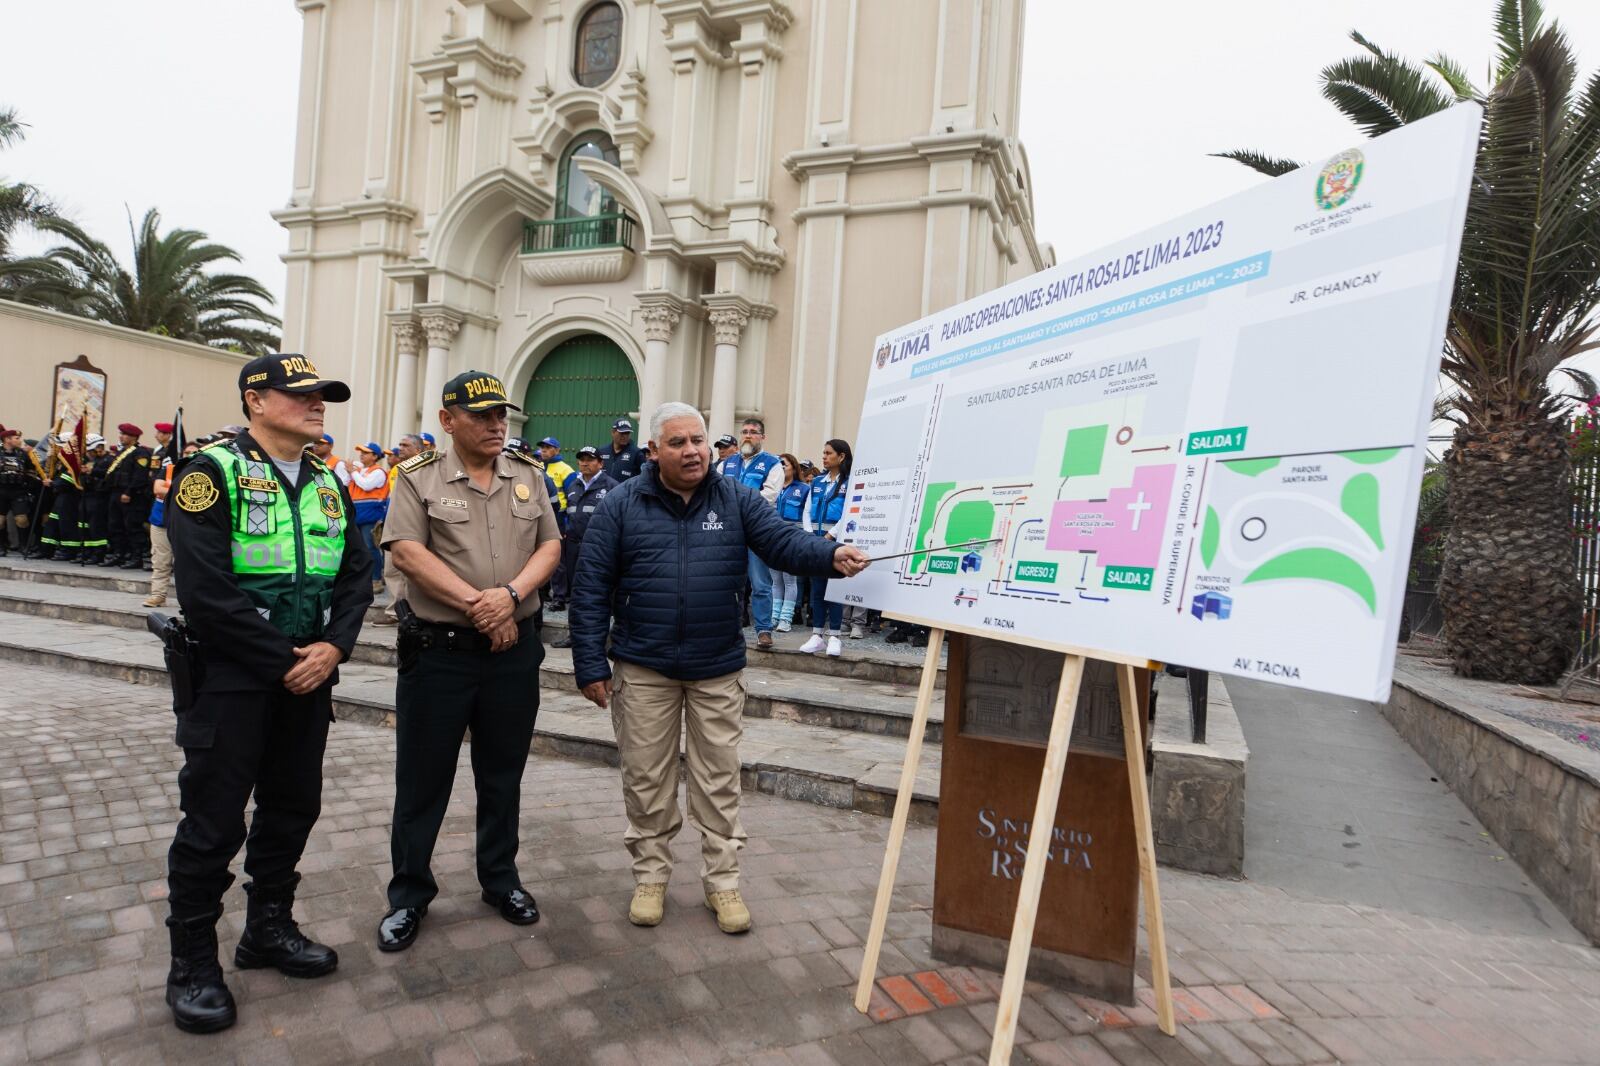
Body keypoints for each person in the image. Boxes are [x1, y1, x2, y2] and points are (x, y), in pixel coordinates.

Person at [569, 402, 869, 933]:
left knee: (718, 781)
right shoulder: (621, 504)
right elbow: (590, 587)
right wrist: (590, 662)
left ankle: (723, 882)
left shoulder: (736, 498)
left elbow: (782, 541)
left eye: (699, 441)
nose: (692, 452)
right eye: (679, 443)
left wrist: (829, 555)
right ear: (653, 451)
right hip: (643, 668)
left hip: (716, 668)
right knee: (646, 778)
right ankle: (651, 875)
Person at [162, 354, 372, 1034]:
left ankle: (268, 930)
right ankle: (193, 964)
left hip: (309, 676)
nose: (318, 406)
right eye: (303, 395)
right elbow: (205, 590)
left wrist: (334, 647)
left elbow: (355, 577)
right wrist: (284, 660)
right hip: (231, 680)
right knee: (213, 823)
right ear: (257, 400)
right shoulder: (211, 473)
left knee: (291, 808)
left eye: (323, 397)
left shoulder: (328, 481)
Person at [377, 371, 562, 952]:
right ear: (448, 419)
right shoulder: (417, 478)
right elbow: (406, 550)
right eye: (481, 415)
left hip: (512, 653)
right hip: (441, 655)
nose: (495, 424)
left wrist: (507, 599)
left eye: (500, 414)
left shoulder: (528, 476)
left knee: (502, 775)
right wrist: (479, 605)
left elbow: (551, 545)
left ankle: (500, 880)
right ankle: (408, 895)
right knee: (422, 781)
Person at [719, 418, 785, 649]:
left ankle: (764, 630)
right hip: (728, 532)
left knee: (761, 583)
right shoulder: (725, 464)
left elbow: (769, 496)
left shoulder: (772, 463)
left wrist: (735, 506)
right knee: (725, 582)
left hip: (757, 531)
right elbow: (715, 492)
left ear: (762, 437)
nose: (748, 435)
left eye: (753, 432)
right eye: (744, 431)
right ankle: (727, 629)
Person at [550, 445, 616, 649]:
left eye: (590, 459)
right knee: (575, 593)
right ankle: (573, 635)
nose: (585, 463)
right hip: (574, 546)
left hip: (599, 549)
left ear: (600, 463)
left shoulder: (612, 486)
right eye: (581, 459)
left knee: (600, 594)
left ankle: (600, 640)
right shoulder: (574, 485)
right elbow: (569, 514)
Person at [800, 439, 854, 657]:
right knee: (817, 588)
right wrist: (809, 535)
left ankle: (835, 636)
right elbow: (807, 510)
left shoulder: (849, 482)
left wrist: (832, 535)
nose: (824, 456)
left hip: (836, 542)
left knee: (834, 588)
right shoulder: (818, 482)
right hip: (816, 541)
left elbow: (850, 511)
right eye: (823, 452)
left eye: (828, 453)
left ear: (841, 456)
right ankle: (817, 635)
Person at [142, 442, 198, 608]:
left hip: (187, 523)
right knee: (161, 561)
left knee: (188, 563)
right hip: (161, 521)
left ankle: (189, 600)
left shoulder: (203, 472)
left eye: (193, 452)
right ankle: (158, 595)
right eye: (187, 452)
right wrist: (185, 492)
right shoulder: (169, 469)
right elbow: (158, 489)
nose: (189, 455)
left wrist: (172, 491)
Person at [770, 453, 810, 632]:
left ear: (793, 467)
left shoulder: (803, 489)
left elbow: (806, 515)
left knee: (789, 580)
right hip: (772, 538)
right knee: (775, 580)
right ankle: (774, 615)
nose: (781, 467)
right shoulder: (772, 487)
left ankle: (786, 619)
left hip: (792, 539)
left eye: (784, 464)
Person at [105, 423, 154, 569]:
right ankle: (119, 554)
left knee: (132, 526)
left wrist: (128, 492)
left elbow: (140, 476)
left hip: (131, 496)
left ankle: (136, 557)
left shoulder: (140, 453)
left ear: (133, 437)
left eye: (124, 434)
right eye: (121, 434)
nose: (121, 437)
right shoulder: (122, 452)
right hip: (116, 493)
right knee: (115, 525)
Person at [348, 442, 390, 595]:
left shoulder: (378, 471)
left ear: (375, 456)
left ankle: (376, 579)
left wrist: (352, 472)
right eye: (361, 452)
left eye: (366, 452)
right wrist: (352, 472)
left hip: (370, 516)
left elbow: (366, 485)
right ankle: (361, 579)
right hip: (357, 515)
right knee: (357, 549)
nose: (362, 455)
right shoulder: (359, 471)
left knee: (371, 548)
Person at [0, 426, 42, 556]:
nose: (19, 441)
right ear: (7, 439)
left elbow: (32, 471)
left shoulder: (23, 454)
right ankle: (1, 546)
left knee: (22, 520)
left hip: (18, 491)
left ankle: (24, 546)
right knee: (0, 521)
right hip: (1, 491)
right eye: (17, 438)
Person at [80, 435, 113, 566]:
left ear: (99, 447)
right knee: (87, 526)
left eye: (90, 450)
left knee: (97, 526)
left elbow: (108, 474)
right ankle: (88, 552)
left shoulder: (109, 460)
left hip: (100, 497)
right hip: (88, 494)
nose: (88, 453)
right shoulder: (94, 460)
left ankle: (99, 553)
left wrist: (92, 471)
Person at [597, 417, 647, 482]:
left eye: (627, 433)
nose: (625, 436)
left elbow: (644, 477)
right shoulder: (602, 451)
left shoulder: (637, 453)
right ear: (613, 432)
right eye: (622, 433)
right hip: (603, 491)